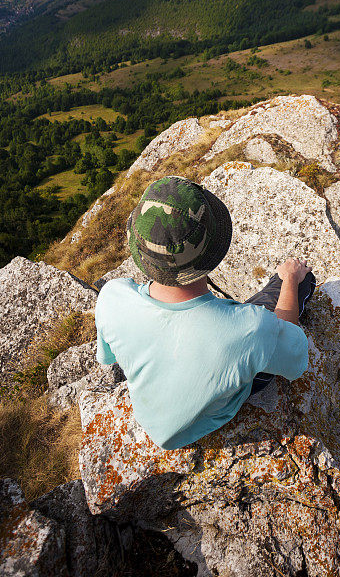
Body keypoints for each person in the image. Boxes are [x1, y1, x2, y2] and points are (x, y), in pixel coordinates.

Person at [95, 175, 316, 450]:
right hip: (209, 417)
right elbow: (295, 358)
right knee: (300, 282)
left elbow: (108, 357)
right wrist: (290, 281)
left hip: (155, 422)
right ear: (211, 251)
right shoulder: (253, 329)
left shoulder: (112, 295)